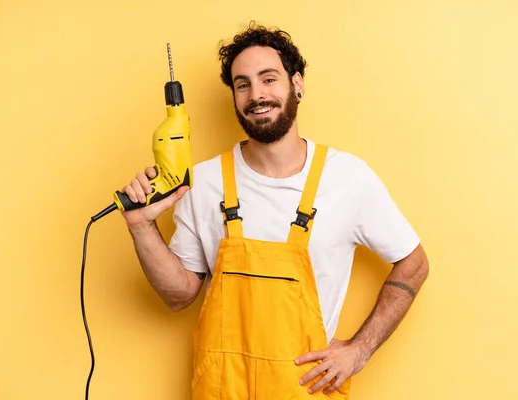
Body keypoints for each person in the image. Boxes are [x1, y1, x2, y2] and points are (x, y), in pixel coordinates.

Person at [119, 22, 429, 399]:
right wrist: (140, 226)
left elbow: (415, 262)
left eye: (269, 79)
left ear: (297, 83)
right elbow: (178, 295)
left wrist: (359, 350)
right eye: (243, 84)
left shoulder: (349, 179)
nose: (256, 94)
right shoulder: (204, 182)